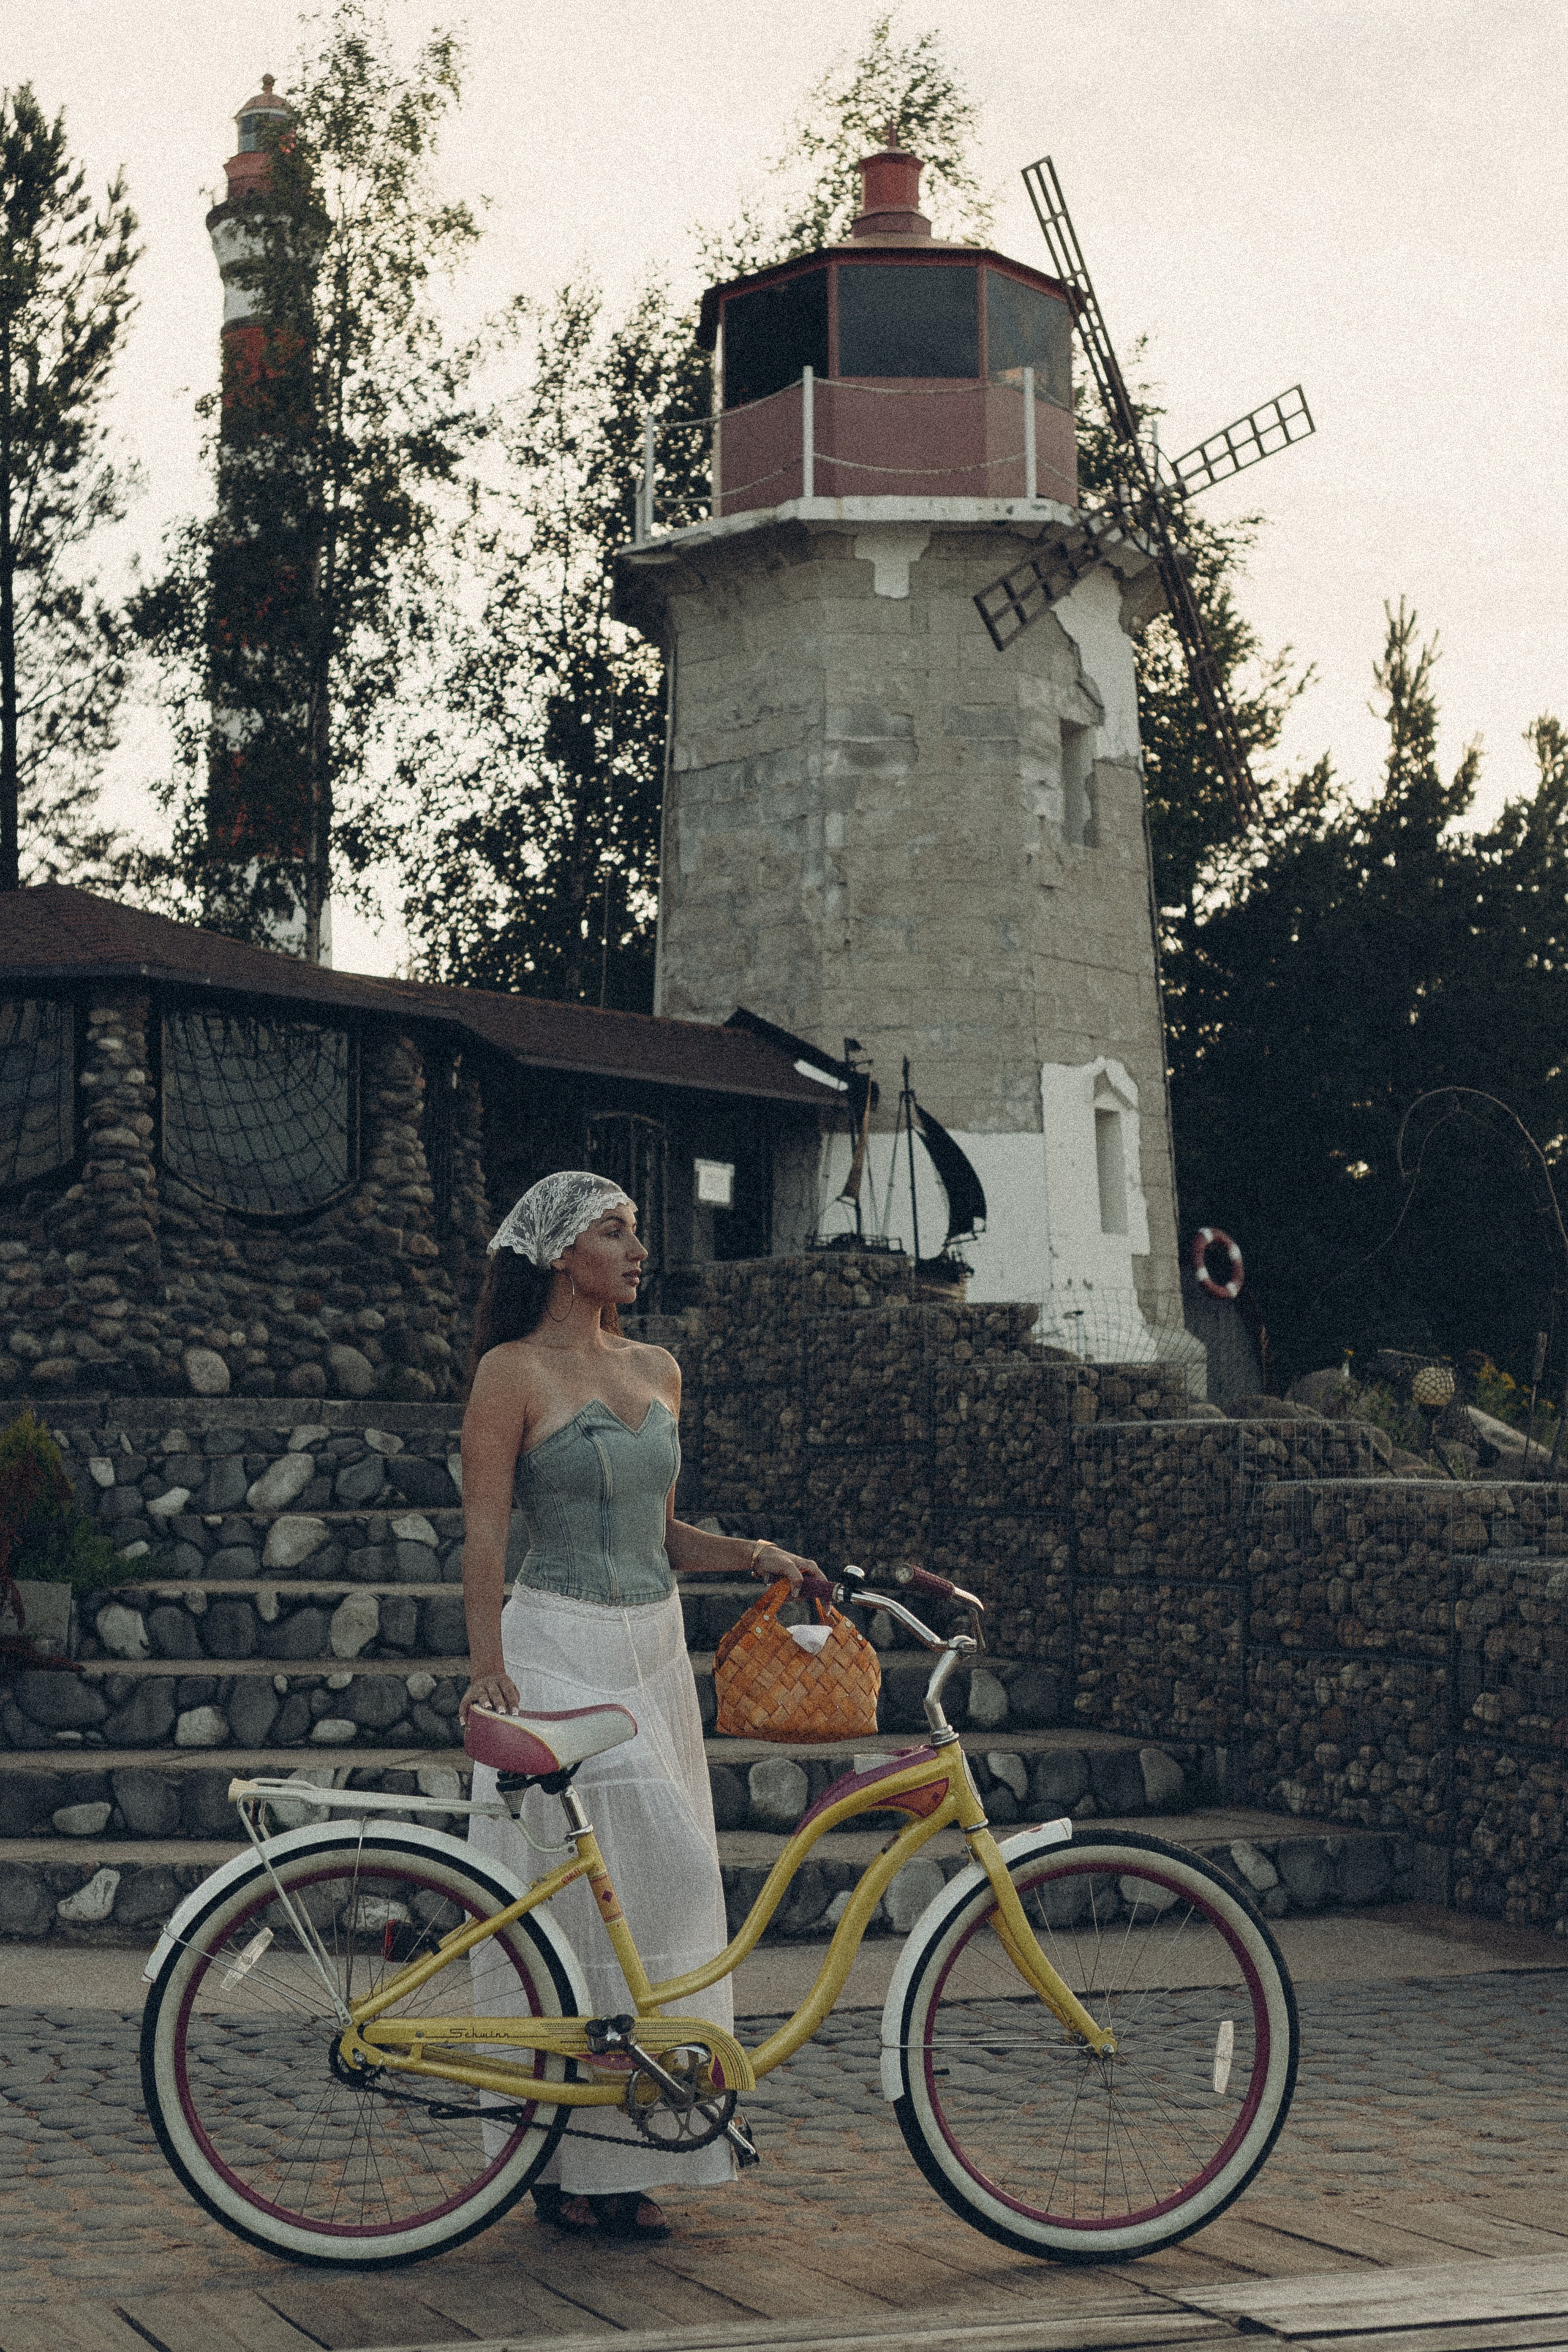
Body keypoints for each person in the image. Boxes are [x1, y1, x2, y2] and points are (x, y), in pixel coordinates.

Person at [458, 1170, 818, 2241]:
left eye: (634, 1228)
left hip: (654, 1649)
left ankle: (630, 2149)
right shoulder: (509, 1372)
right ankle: (551, 2152)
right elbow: (483, 1533)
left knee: (662, 1889)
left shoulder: (659, 1366)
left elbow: (668, 1537)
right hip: (554, 1644)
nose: (636, 1244)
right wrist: (487, 1666)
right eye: (613, 1231)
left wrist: (757, 1555)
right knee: (570, 1893)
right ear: (562, 1255)